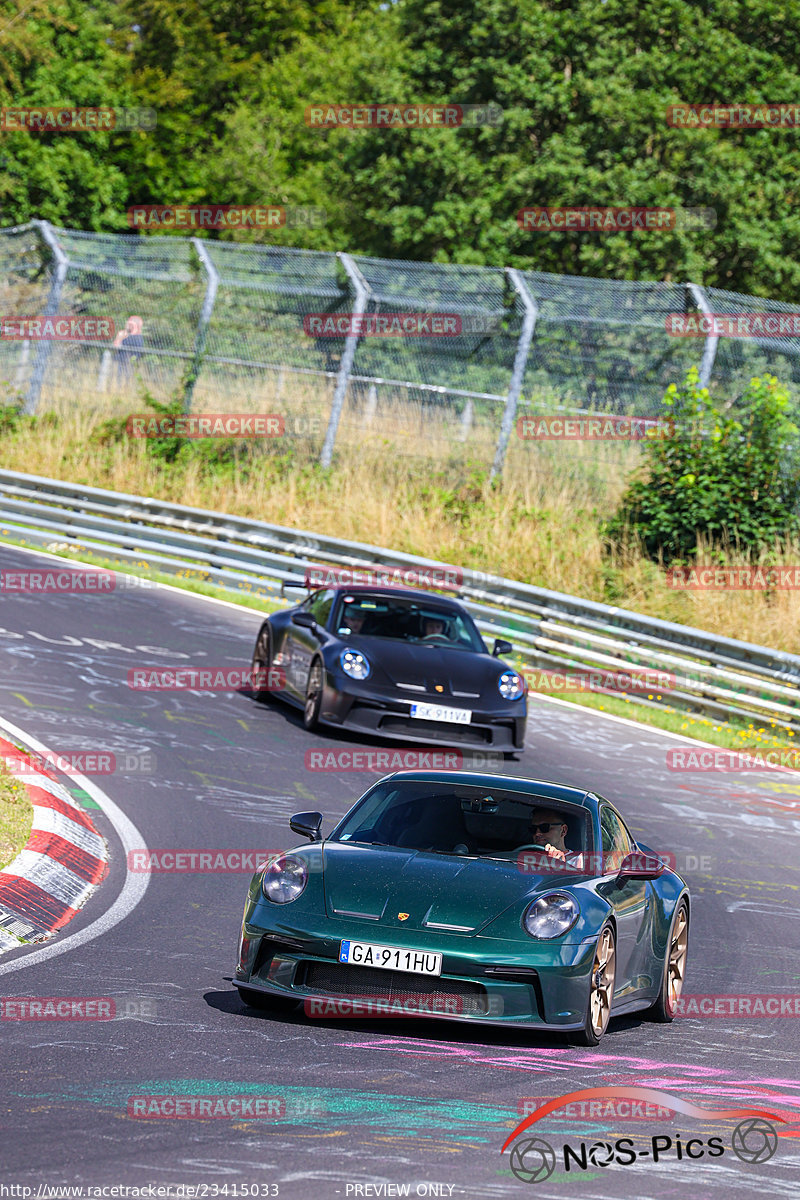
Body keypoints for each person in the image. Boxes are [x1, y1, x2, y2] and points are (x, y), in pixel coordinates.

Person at [113, 315, 144, 382]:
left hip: (130, 361)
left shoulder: (138, 337)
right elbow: (116, 347)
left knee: (128, 376)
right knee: (121, 375)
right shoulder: (124, 334)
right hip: (122, 360)